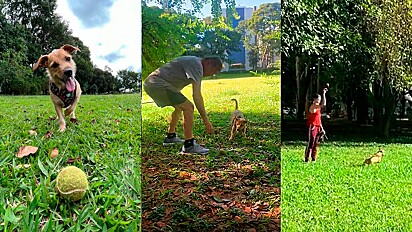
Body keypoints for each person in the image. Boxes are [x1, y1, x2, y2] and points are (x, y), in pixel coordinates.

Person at [143, 56, 223, 155]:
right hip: (157, 83)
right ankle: (189, 145)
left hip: (153, 83)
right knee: (189, 107)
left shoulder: (194, 62)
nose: (211, 75)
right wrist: (206, 121)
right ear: (208, 63)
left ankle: (170, 137)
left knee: (179, 108)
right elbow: (197, 95)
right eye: (213, 71)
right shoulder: (197, 66)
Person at [305, 88, 327, 162]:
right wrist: (324, 93)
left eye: (320, 99)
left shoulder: (318, 108)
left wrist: (322, 128)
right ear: (315, 99)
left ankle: (313, 158)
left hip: (318, 126)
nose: (320, 100)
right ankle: (307, 158)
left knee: (316, 143)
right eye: (319, 99)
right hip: (312, 126)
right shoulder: (313, 106)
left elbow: (318, 119)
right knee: (311, 142)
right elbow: (324, 104)